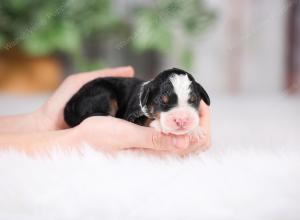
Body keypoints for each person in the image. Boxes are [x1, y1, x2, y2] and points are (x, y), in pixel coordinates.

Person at [0, 66, 211, 156]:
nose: (182, 117)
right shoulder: (143, 100)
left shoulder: (151, 93)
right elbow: (136, 122)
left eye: (191, 103)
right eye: (165, 104)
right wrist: (71, 139)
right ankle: (93, 121)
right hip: (93, 99)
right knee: (104, 99)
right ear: (149, 99)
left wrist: (42, 122)